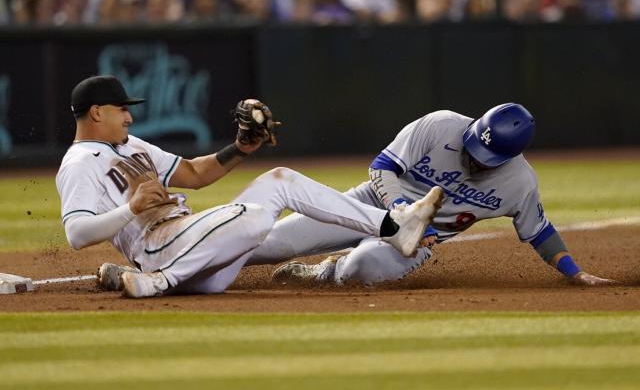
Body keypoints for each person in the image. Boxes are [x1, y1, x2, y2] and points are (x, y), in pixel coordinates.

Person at [57, 75, 444, 298]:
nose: (128, 116)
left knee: (281, 180)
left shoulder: (131, 145)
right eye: (122, 109)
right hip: (160, 246)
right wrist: (132, 209)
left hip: (199, 249)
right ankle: (160, 281)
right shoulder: (78, 163)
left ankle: (394, 227)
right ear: (96, 112)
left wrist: (240, 149)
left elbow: (193, 174)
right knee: (255, 216)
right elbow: (76, 234)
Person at [245, 103, 616, 287]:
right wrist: (402, 212)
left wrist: (575, 272)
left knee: (363, 267)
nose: (474, 157)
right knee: (271, 241)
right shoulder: (440, 125)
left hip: (419, 241)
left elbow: (540, 232)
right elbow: (381, 167)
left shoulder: (519, 182)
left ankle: (327, 271)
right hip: (370, 204)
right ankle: (195, 262)